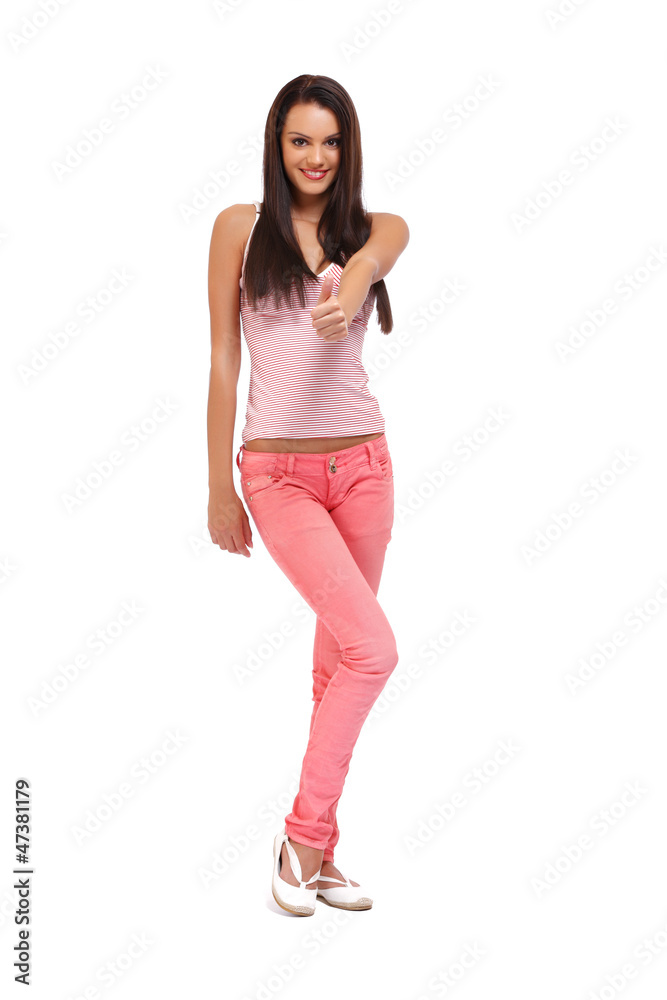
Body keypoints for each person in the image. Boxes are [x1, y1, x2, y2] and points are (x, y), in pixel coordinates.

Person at [206, 74, 409, 916]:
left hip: (363, 469)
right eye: (300, 140)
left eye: (330, 141)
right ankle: (301, 838)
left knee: (340, 665)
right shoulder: (240, 227)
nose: (315, 156)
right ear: (276, 144)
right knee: (374, 651)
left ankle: (317, 851)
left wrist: (355, 277)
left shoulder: (370, 230)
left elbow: (388, 243)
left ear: (346, 147)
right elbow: (224, 359)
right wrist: (218, 486)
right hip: (276, 476)